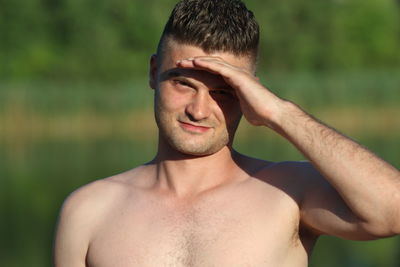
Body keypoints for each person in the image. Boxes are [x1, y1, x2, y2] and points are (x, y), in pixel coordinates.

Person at [54, 0, 400, 266]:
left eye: (223, 91)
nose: (199, 110)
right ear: (153, 72)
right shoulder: (89, 211)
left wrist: (280, 113)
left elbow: (393, 211)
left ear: (250, 92)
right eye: (183, 84)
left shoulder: (289, 193)